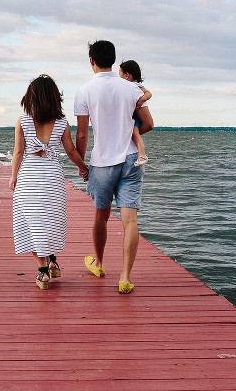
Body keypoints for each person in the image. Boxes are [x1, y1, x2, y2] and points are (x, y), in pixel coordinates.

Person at [74, 41, 154, 294]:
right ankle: (125, 277)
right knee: (130, 220)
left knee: (101, 215)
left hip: (102, 161)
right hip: (131, 159)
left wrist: (81, 162)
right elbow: (148, 123)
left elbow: (83, 134)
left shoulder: (85, 90)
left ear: (91, 61)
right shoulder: (130, 88)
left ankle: (98, 263)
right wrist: (130, 134)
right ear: (114, 59)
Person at [9, 74, 89, 290]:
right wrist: (83, 168)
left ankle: (43, 271)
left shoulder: (23, 120)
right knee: (49, 220)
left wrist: (13, 176)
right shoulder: (62, 122)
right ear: (55, 97)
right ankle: (52, 260)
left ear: (31, 97)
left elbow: (18, 152)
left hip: (29, 177)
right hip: (52, 177)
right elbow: (71, 151)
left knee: (31, 223)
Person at [118, 59, 152, 167]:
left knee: (135, 133)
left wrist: (141, 100)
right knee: (134, 134)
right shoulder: (130, 87)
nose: (119, 78)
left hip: (134, 117)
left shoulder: (135, 86)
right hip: (131, 116)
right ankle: (141, 155)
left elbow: (149, 93)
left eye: (120, 75)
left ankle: (142, 155)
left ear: (127, 75)